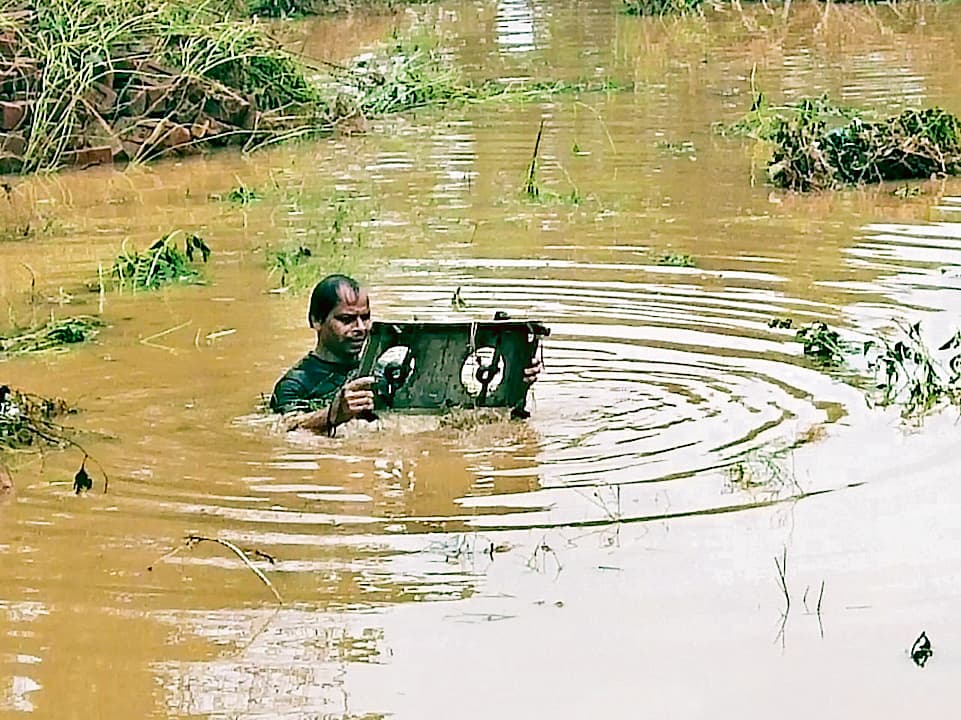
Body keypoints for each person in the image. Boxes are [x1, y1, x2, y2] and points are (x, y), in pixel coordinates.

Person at [270, 274, 541, 434]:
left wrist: (514, 381)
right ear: (316, 321)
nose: (361, 328)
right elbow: (286, 432)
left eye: (365, 318)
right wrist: (332, 415)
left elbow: (446, 411)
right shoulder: (295, 385)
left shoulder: (388, 367)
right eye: (347, 320)